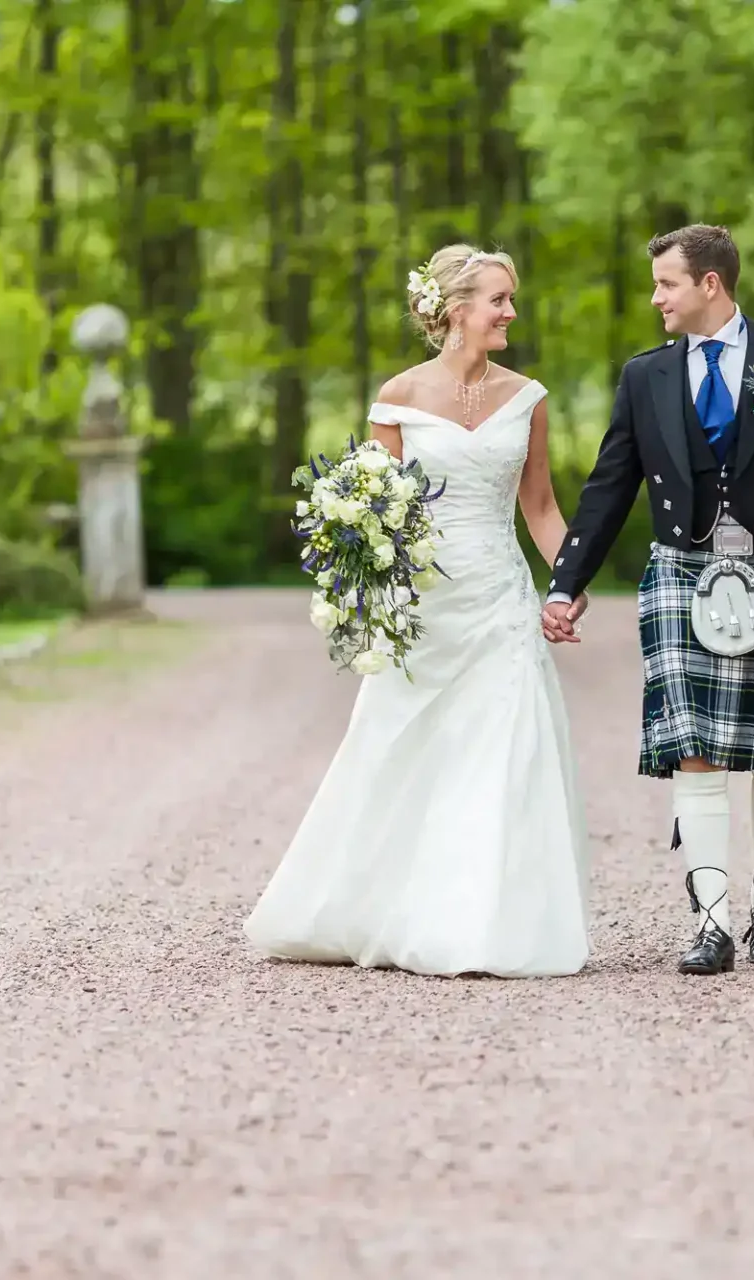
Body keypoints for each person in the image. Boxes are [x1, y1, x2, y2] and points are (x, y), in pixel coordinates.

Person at [243, 245, 591, 979]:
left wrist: (569, 577)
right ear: (456, 309)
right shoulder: (397, 398)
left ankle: (484, 922)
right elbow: (381, 514)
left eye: (512, 299)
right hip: (426, 606)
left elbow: (540, 506)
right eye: (499, 299)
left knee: (502, 753)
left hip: (499, 598)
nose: (511, 313)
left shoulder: (528, 397)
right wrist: (365, 586)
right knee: (404, 745)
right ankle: (372, 905)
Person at [542, 224, 754, 976]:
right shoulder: (646, 376)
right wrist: (566, 582)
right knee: (695, 749)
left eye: (666, 284)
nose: (656, 299)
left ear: (710, 284)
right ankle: (711, 921)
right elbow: (611, 483)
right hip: (681, 569)